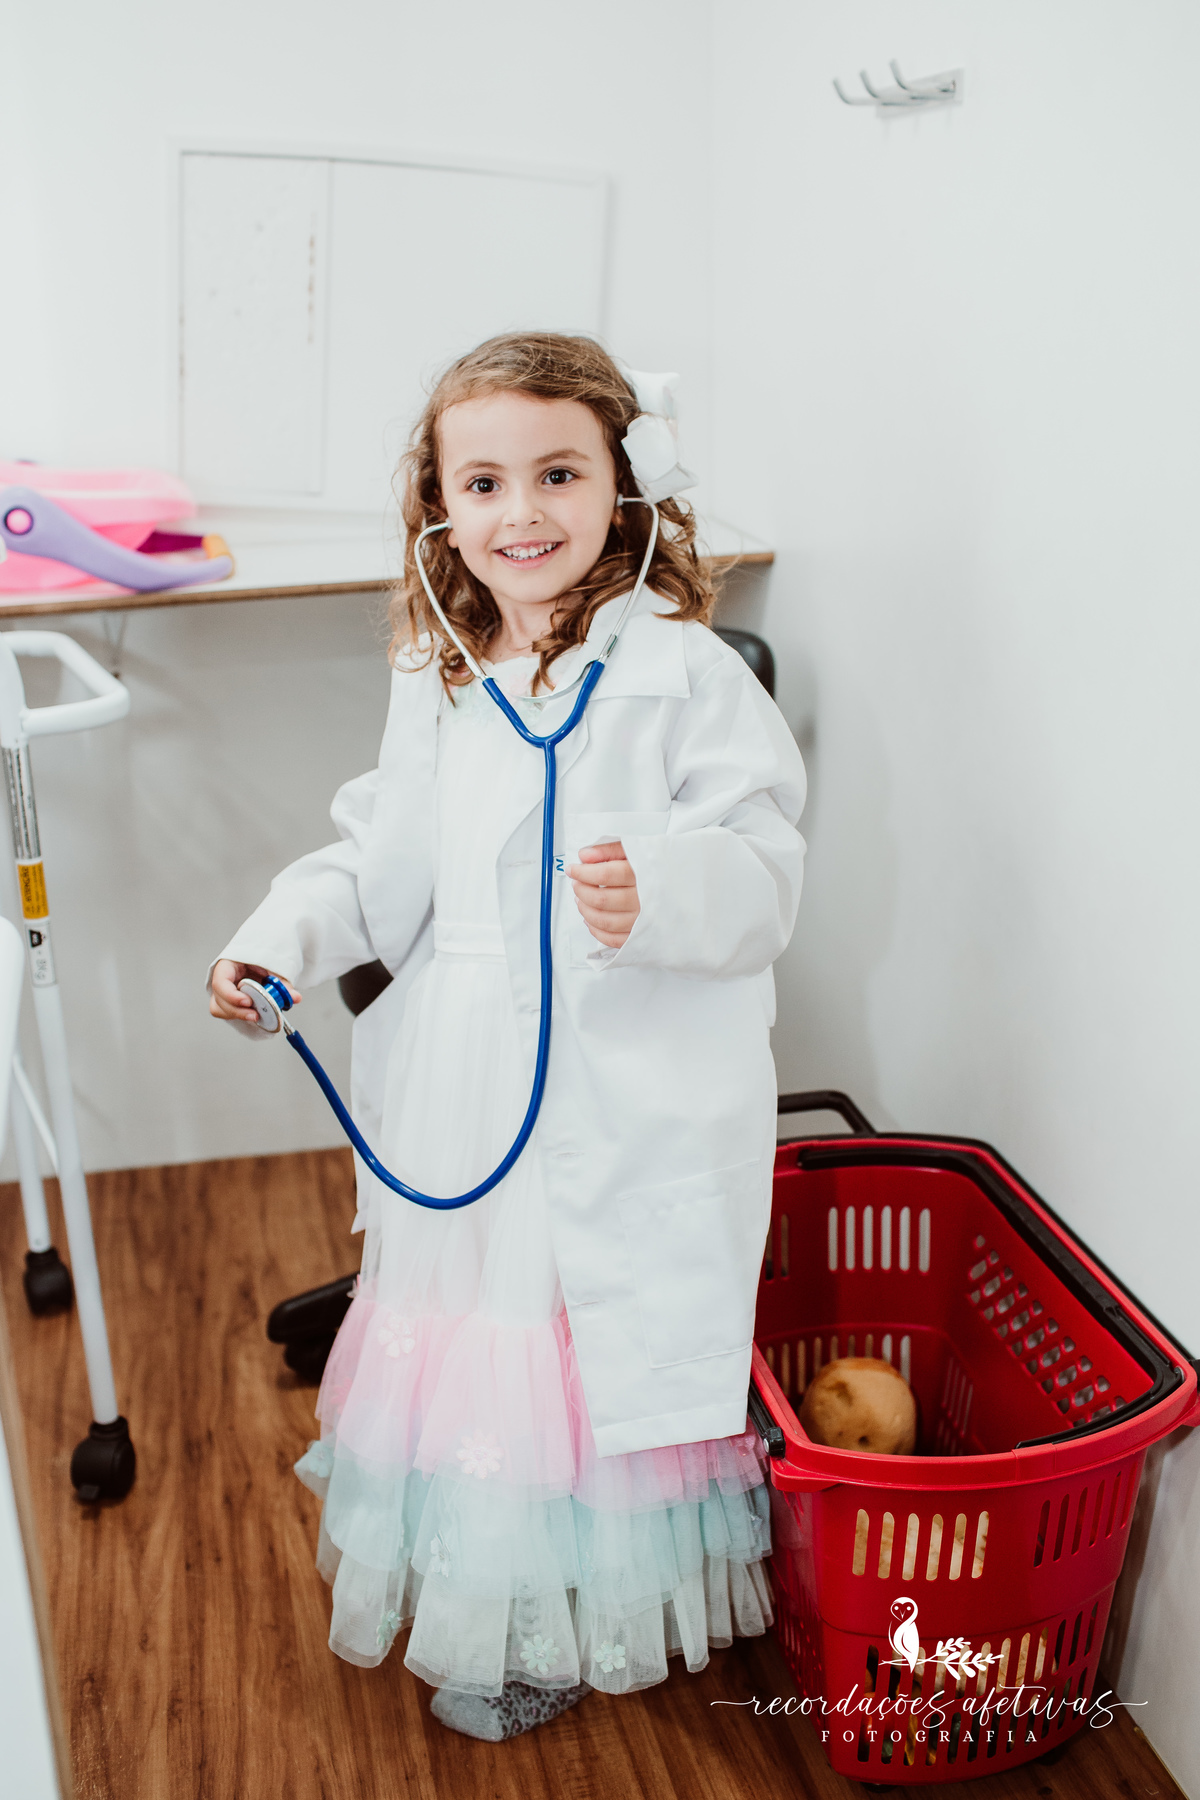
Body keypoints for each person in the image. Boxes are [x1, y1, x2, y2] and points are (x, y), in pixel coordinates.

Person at [208, 332, 807, 1741]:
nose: (520, 513)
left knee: (580, 1340)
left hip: (620, 1065)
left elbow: (767, 871)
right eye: (482, 482)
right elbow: (379, 864)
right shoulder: (445, 674)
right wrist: (275, 944)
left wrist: (656, 889)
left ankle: (564, 1626)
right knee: (480, 1344)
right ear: (440, 509)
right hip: (466, 1069)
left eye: (557, 473)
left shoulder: (686, 674)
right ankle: (494, 1594)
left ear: (624, 487)